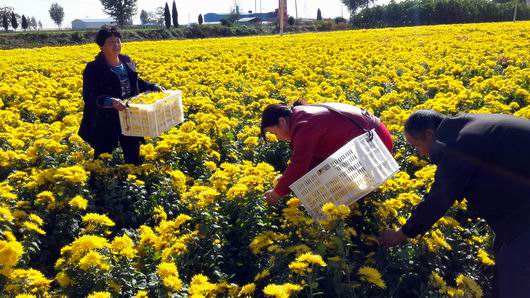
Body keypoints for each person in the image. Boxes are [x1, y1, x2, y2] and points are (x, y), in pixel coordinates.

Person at [379, 110, 530, 298]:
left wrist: (401, 234)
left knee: (517, 278)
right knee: (506, 258)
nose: (421, 153)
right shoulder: (471, 126)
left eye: (417, 146)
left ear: (429, 134)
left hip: (523, 217)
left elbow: (440, 198)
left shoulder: (460, 144)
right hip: (518, 207)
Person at [261, 101, 394, 205]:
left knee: (348, 194)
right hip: (371, 137)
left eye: (274, 132)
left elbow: (299, 164)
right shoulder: (300, 116)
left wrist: (277, 193)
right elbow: (310, 161)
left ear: (282, 122)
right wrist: (286, 181)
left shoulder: (303, 124)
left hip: (375, 142)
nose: (277, 138)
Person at [78, 25, 164, 165]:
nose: (116, 45)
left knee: (133, 154)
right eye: (111, 42)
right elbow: (89, 95)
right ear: (101, 46)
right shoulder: (93, 68)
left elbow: (136, 83)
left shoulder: (127, 61)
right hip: (106, 119)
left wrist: (152, 87)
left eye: (118, 41)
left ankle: (133, 178)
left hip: (129, 114)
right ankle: (98, 185)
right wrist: (110, 101)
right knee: (102, 156)